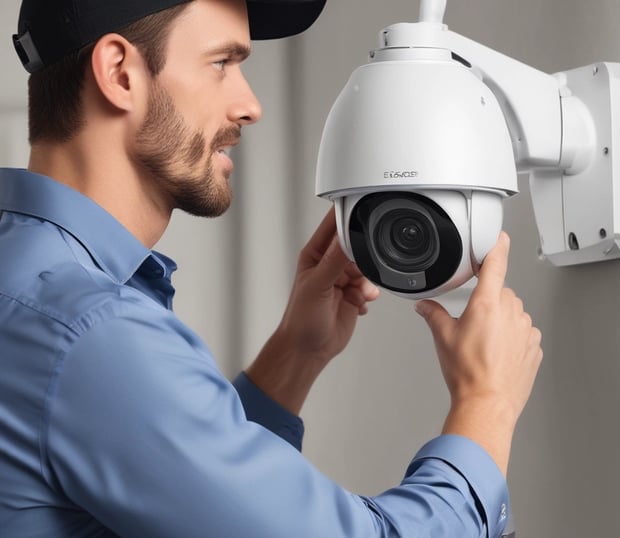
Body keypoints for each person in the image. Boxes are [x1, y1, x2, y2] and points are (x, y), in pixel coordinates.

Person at [0, 0, 543, 536]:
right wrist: (486, 405)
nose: (250, 105)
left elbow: (174, 490)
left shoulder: (31, 287)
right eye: (222, 63)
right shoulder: (88, 333)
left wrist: (296, 353)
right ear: (121, 73)